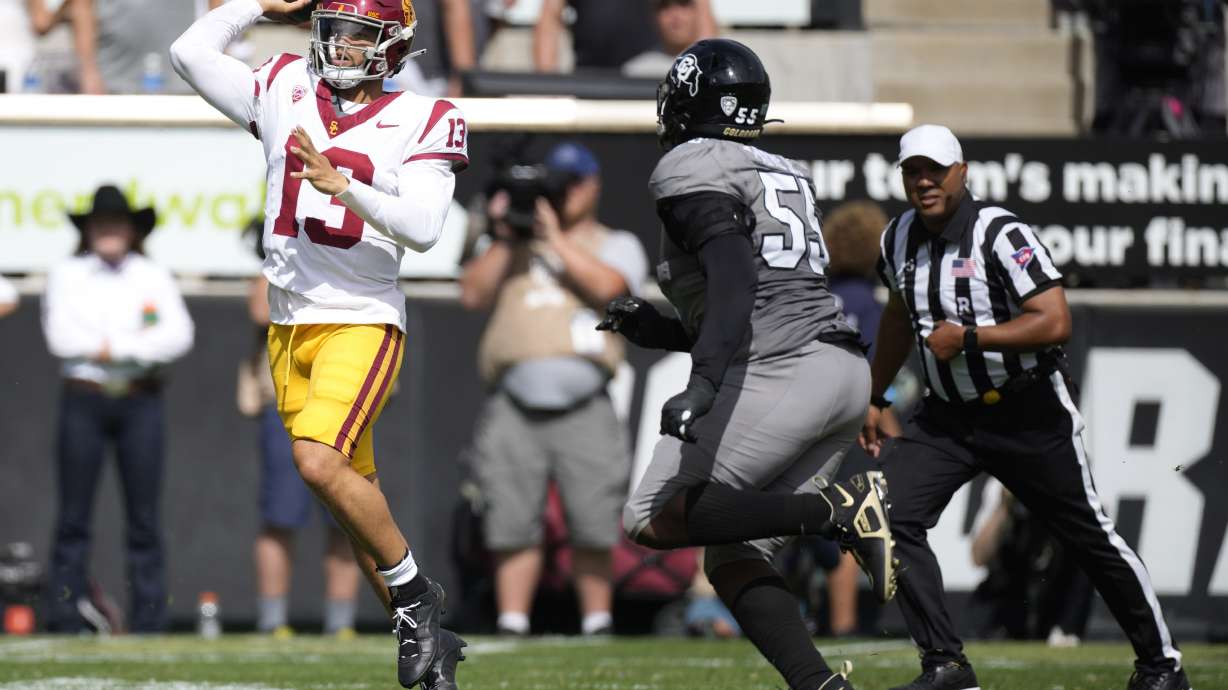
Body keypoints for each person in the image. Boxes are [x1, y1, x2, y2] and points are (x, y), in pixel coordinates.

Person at [170, 1, 467, 687]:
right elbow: (189, 54)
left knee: (314, 462)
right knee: (354, 505)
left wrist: (347, 186)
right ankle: (429, 658)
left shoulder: (426, 115)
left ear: (393, 44)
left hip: (359, 317)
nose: (338, 46)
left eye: (357, 33)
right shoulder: (283, 85)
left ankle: (419, 600)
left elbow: (423, 227)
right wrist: (256, 6)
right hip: (286, 324)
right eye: (330, 30)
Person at [598, 39, 896, 690]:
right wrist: (667, 333)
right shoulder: (780, 169)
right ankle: (819, 684)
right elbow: (766, 298)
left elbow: (735, 278)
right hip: (839, 372)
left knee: (648, 515)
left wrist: (703, 384)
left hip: (782, 369)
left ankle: (839, 512)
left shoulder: (692, 164)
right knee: (735, 556)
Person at [861, 124, 1190, 690]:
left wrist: (968, 339)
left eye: (935, 170)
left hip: (1026, 409)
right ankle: (945, 664)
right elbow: (896, 315)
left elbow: (1054, 320)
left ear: (962, 172)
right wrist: (873, 394)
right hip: (949, 415)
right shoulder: (897, 238)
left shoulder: (998, 232)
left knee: (1088, 535)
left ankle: (1162, 667)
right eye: (912, 171)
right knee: (886, 514)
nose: (924, 181)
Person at [459, 141, 648, 637]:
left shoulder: (615, 241)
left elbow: (612, 290)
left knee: (593, 516)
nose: (561, 195)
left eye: (570, 185)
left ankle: (597, 620)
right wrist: (508, 234)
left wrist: (555, 238)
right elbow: (471, 293)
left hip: (586, 402)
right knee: (510, 517)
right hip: (514, 401)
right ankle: (513, 621)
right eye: (553, 187)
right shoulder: (510, 244)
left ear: (593, 187)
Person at [41, 184, 195, 633]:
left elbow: (178, 336)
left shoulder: (152, 276)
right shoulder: (67, 274)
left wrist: (113, 349)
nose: (108, 231)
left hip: (139, 399)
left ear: (132, 230)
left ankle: (150, 619)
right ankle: (64, 615)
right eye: (100, 223)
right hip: (84, 397)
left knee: (144, 517)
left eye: (116, 223)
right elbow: (61, 339)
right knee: (73, 515)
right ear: (88, 230)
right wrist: (138, 348)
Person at [236, 221, 362, 638]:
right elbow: (259, 308)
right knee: (280, 515)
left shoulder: (351, 266)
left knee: (348, 518)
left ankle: (341, 622)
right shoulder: (280, 265)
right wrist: (281, 253)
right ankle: (273, 619)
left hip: (344, 405)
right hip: (286, 405)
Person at [534, 0, 714, 73]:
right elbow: (550, 17)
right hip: (589, 79)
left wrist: (708, 73)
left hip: (650, 79)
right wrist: (548, 83)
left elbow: (700, 10)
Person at [1, 0, 104, 93]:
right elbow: (41, 23)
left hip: (65, 66)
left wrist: (88, 70)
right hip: (33, 67)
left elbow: (83, 23)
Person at [622, 0, 717, 79]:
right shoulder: (636, 73)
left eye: (683, 3)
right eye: (664, 6)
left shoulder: (727, 58)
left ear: (699, 11)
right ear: (652, 16)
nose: (675, 16)